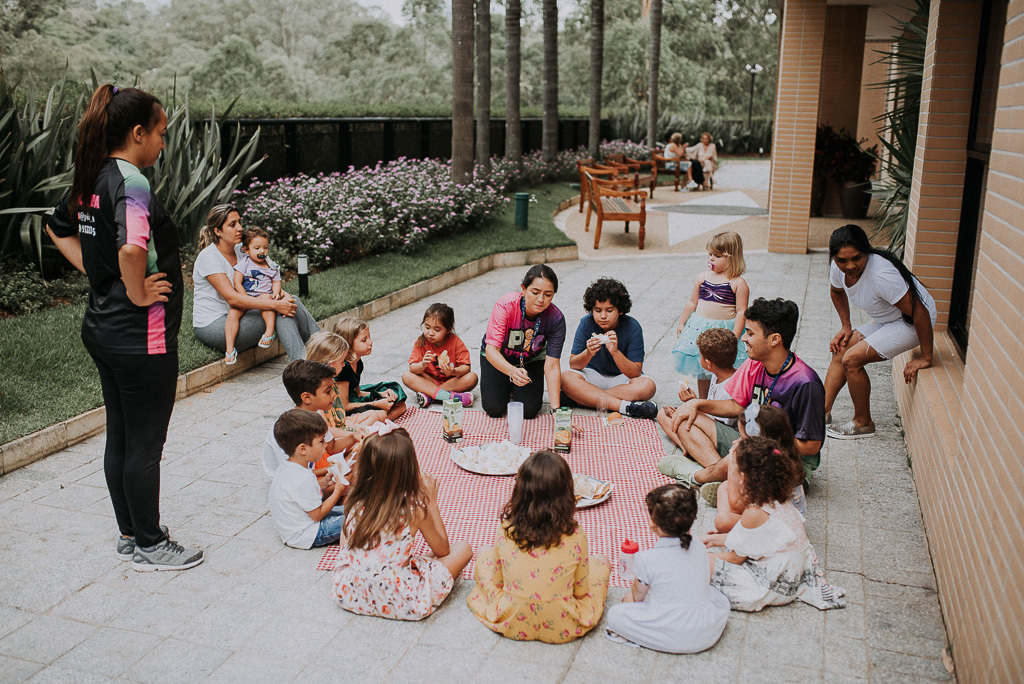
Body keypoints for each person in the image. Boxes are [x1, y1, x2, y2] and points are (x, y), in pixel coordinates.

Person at [45, 84, 203, 571]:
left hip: (102, 329)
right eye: (160, 133)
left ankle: (130, 535)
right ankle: (152, 544)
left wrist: (100, 276)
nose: (162, 143)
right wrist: (135, 291)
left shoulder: (93, 175)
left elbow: (57, 226)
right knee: (146, 444)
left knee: (122, 436)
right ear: (137, 133)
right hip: (141, 336)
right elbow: (134, 249)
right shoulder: (132, 182)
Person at [665, 298, 826, 488]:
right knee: (684, 418)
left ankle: (709, 476)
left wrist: (760, 442)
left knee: (757, 474)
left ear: (775, 339)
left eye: (750, 333)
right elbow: (736, 405)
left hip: (787, 460)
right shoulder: (754, 363)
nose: (743, 338)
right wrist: (697, 404)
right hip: (748, 442)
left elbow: (811, 446)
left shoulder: (806, 383)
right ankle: (723, 476)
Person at [466, 451, 611, 643]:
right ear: (567, 493)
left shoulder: (507, 528)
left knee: (483, 552)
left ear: (519, 491)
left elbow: (498, 582)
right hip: (563, 622)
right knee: (601, 561)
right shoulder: (575, 534)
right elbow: (581, 591)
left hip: (512, 619)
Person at [332, 426, 472, 620]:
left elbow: (345, 548)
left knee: (402, 558)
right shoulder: (412, 510)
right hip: (400, 599)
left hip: (351, 593)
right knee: (463, 549)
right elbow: (443, 550)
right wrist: (431, 503)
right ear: (409, 467)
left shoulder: (354, 502)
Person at [701, 437, 845, 612]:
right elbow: (760, 537)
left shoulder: (754, 513)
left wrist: (701, 556)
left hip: (771, 586)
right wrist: (716, 540)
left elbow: (734, 559)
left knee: (701, 563)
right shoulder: (778, 499)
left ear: (744, 478)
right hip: (795, 578)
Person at [823, 224, 937, 440]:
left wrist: (926, 356)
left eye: (857, 258)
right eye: (842, 260)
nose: (849, 266)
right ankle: (821, 413)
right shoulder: (837, 267)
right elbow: (836, 291)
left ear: (867, 252)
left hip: (913, 322)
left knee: (852, 360)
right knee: (842, 349)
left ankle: (863, 423)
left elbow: (920, 312)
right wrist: (845, 326)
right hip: (888, 318)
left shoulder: (882, 275)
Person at [604, 484, 729, 653]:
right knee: (715, 596)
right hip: (707, 629)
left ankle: (652, 636)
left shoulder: (647, 559)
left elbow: (638, 596)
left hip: (674, 634)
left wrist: (630, 602)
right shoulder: (699, 547)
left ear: (653, 523)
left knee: (615, 615)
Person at [192, 204, 320, 361]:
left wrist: (282, 296)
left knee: (291, 301)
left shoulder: (243, 249)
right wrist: (276, 304)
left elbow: (270, 274)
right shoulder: (209, 257)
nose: (240, 228)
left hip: (244, 312)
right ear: (217, 231)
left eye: (239, 222)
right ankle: (310, 365)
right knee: (280, 311)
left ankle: (321, 355)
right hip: (216, 325)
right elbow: (232, 298)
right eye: (232, 224)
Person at [560, 277, 658, 419]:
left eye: (609, 310)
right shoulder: (586, 323)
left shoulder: (632, 327)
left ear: (620, 311)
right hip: (592, 375)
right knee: (564, 378)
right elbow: (574, 364)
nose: (603, 316)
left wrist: (615, 352)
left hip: (621, 379)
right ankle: (626, 407)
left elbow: (635, 372)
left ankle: (584, 398)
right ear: (591, 310)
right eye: (597, 310)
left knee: (647, 386)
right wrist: (588, 353)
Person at [702, 405, 807, 535]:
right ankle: (736, 530)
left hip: (780, 528)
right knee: (724, 487)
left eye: (743, 439)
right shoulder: (779, 457)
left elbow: (736, 505)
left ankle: (736, 533)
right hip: (767, 511)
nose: (736, 442)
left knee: (722, 521)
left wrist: (733, 466)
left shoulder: (769, 470)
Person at [480, 264, 566, 419]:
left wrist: (556, 411)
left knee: (529, 410)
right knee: (494, 408)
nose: (541, 300)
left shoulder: (556, 319)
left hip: (530, 360)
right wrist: (511, 371)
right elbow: (491, 350)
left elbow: (552, 365)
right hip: (499, 358)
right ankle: (507, 382)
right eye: (535, 292)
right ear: (524, 289)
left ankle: (514, 385)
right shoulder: (505, 305)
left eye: (548, 294)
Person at [672, 231, 749, 399]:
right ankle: (703, 398)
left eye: (718, 256)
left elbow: (741, 312)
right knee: (704, 367)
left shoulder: (737, 283)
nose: (711, 259)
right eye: (710, 254)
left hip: (724, 330)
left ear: (732, 258)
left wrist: (734, 337)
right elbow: (692, 302)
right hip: (701, 328)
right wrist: (682, 322)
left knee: (724, 366)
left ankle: (723, 397)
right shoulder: (703, 277)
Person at [657, 327, 739, 481]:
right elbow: (711, 410)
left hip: (722, 440)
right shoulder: (717, 375)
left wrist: (694, 407)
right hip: (710, 429)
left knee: (681, 421)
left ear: (708, 363)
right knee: (664, 412)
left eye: (700, 356)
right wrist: (692, 402)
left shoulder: (731, 387)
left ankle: (706, 462)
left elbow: (719, 427)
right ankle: (689, 449)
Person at [262, 360, 354, 484]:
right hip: (292, 488)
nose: (334, 395)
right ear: (307, 397)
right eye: (328, 391)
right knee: (354, 480)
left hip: (308, 476)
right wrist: (334, 469)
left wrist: (355, 437)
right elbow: (296, 476)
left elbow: (332, 447)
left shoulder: (315, 416)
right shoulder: (288, 429)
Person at [267, 409, 346, 549]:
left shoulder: (289, 468)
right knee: (357, 519)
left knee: (353, 509)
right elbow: (317, 515)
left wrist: (324, 483)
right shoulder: (302, 478)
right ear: (303, 449)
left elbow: (301, 495)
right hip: (308, 533)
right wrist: (337, 491)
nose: (326, 445)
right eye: (321, 441)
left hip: (297, 528)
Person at [224, 226, 282, 365]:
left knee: (266, 300)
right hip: (246, 297)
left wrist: (275, 292)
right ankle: (230, 348)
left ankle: (269, 332)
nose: (262, 251)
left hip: (263, 297)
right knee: (233, 313)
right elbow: (237, 281)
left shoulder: (271, 265)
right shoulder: (245, 263)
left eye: (265, 247)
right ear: (246, 250)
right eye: (257, 248)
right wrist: (245, 298)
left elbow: (276, 280)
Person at [402, 302, 478, 408]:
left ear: (448, 329)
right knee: (406, 376)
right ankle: (452, 397)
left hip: (451, 382)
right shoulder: (421, 342)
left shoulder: (455, 342)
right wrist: (422, 364)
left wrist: (454, 371)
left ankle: (430, 395)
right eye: (427, 327)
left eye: (437, 329)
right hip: (429, 381)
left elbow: (466, 368)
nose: (430, 333)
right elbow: (412, 369)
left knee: (472, 378)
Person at [304, 332, 383, 431]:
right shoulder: (318, 392)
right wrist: (355, 434)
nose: (344, 365)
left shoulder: (331, 382)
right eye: (342, 362)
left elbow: (341, 418)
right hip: (330, 434)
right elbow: (327, 431)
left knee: (374, 415)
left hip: (339, 424)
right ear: (331, 364)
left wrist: (360, 429)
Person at [333, 317, 407, 421]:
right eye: (364, 340)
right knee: (386, 411)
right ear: (348, 345)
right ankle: (376, 420)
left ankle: (378, 419)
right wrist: (376, 403)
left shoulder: (358, 363)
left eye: (369, 337)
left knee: (397, 397)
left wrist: (382, 394)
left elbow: (358, 393)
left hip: (354, 398)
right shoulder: (343, 368)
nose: (370, 342)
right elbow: (344, 406)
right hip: (346, 407)